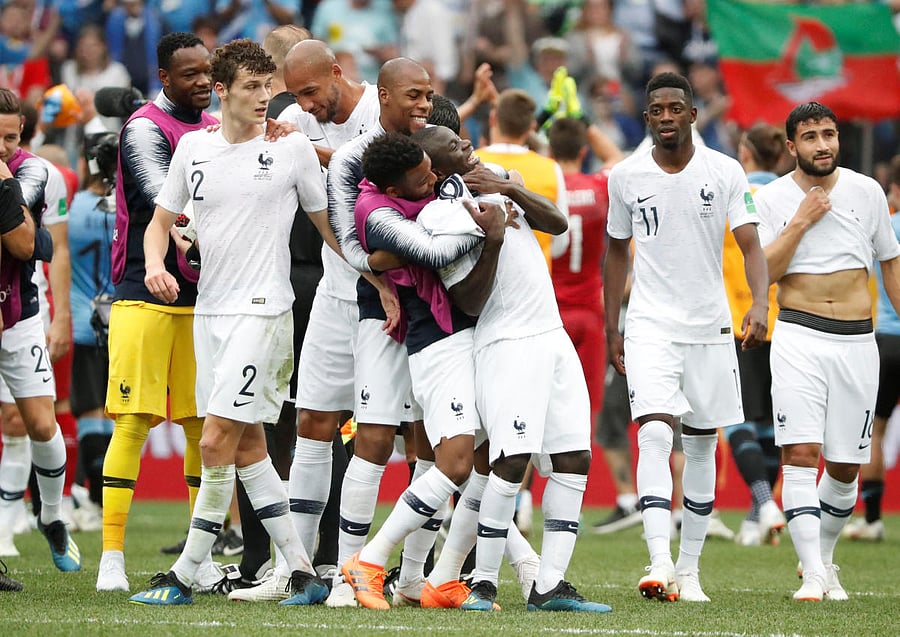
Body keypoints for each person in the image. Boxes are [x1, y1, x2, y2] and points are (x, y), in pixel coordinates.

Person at [129, 37, 331, 607]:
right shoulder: (193, 148)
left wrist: (375, 285)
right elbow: (159, 220)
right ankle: (301, 571)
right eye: (251, 87)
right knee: (247, 449)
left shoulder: (290, 151)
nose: (264, 97)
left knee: (216, 438)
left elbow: (325, 225)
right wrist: (153, 265)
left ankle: (187, 572)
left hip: (264, 311)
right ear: (221, 91)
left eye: (268, 86)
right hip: (210, 311)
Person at [408, 124, 609, 614]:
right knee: (511, 462)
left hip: (552, 333)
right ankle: (483, 584)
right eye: (456, 146)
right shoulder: (438, 216)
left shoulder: (496, 175)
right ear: (435, 169)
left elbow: (557, 224)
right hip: (504, 341)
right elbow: (467, 301)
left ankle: (550, 585)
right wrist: (493, 238)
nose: (468, 146)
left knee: (573, 457)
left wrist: (511, 188)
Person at [603, 72, 768, 603]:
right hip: (650, 324)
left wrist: (762, 302)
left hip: (710, 327)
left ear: (693, 114)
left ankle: (691, 571)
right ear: (647, 117)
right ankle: (658, 562)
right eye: (657, 109)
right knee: (653, 434)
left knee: (700, 446)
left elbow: (751, 245)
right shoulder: (625, 176)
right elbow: (615, 252)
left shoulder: (724, 171)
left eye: (677, 107)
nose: (667, 116)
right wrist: (614, 325)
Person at [753, 102, 900, 601]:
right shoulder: (771, 198)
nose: (823, 144)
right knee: (800, 453)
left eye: (830, 134)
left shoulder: (868, 191)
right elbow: (764, 274)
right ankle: (813, 573)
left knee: (843, 467)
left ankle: (823, 558)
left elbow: (891, 266)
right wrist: (800, 221)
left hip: (859, 340)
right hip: (798, 336)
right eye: (811, 137)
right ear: (792, 146)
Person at [97, 32, 218, 593]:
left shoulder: (215, 129)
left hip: (207, 294)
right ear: (165, 78)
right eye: (189, 73)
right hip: (142, 289)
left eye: (207, 72)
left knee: (200, 426)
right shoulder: (146, 127)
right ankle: (112, 556)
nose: (202, 82)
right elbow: (158, 198)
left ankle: (199, 557)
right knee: (134, 420)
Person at [323, 57, 435, 608]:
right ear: (383, 94)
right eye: (413, 94)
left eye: (429, 95)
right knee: (372, 437)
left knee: (432, 444)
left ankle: (412, 578)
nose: (423, 105)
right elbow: (348, 239)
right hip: (380, 313)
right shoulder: (351, 159)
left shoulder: (439, 144)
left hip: (440, 319)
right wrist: (384, 281)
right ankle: (350, 575)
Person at [0, 89, 80, 573]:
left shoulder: (34, 172)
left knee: (40, 423)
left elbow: (27, 242)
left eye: (12, 136)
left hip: (21, 312)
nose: (4, 145)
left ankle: (51, 515)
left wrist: (62, 315)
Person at [724, 123, 788, 547]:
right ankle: (754, 517)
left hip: (737, 319)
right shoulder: (790, 197)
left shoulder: (732, 196)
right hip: (785, 322)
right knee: (769, 425)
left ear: (746, 154)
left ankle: (764, 503)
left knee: (735, 421)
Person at [843, 154, 900, 542]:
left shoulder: (888, 225)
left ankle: (874, 519)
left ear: (893, 188)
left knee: (875, 430)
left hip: (889, 338)